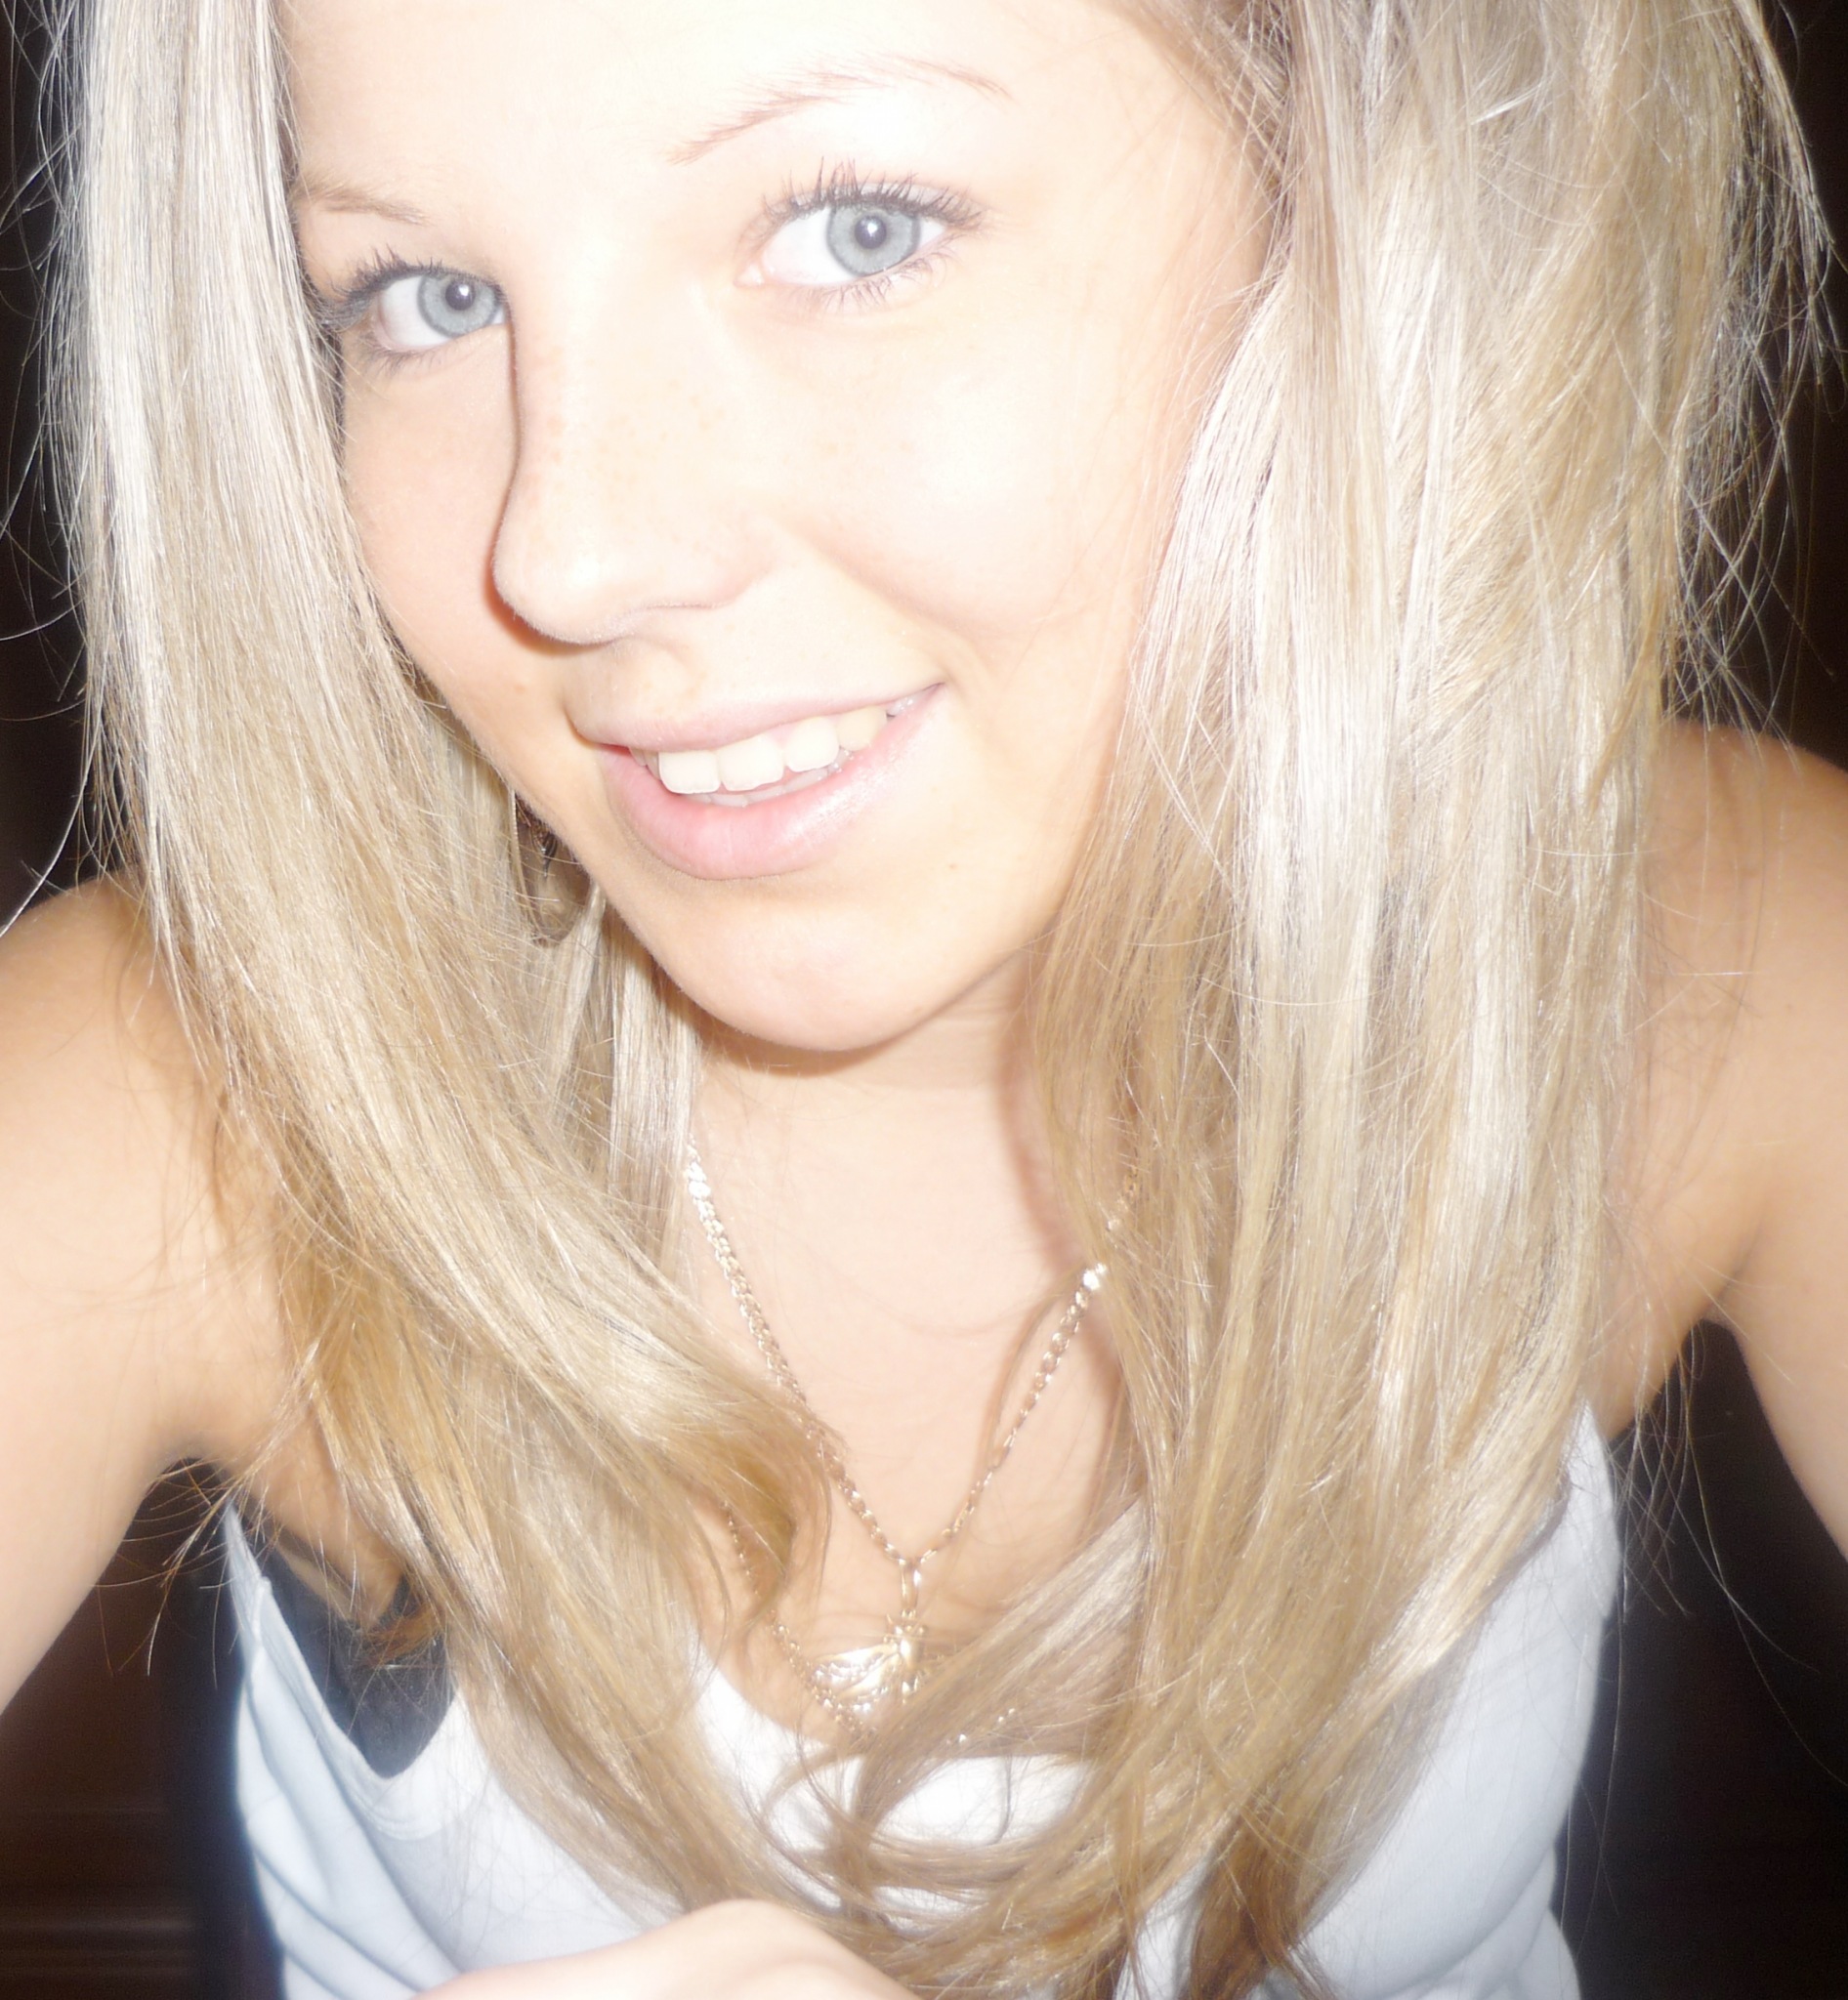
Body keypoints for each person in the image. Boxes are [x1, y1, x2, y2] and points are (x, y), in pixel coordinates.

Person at [2, 0, 1845, 1993]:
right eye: (425, 297)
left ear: (1369, 199)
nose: (573, 556)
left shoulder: (1697, 966)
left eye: (854, 227)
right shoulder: (180, 1092)